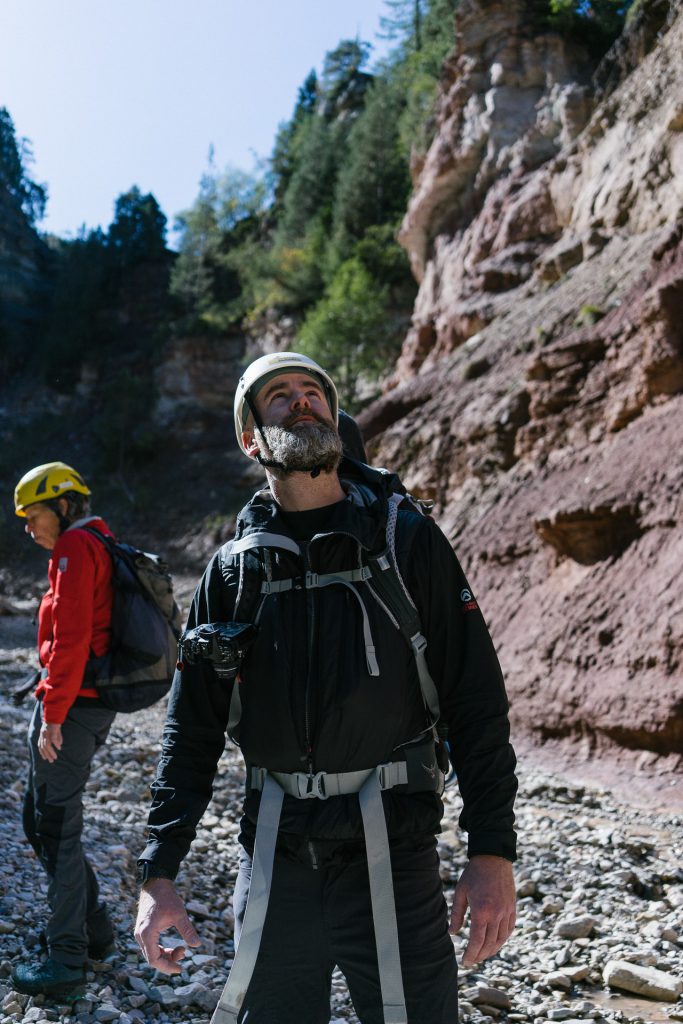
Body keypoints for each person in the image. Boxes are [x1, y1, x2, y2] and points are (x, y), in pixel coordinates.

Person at [135, 352, 517, 1024]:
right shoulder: (231, 574)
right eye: (278, 395)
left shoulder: (404, 541)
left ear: (334, 418)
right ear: (250, 439)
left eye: (313, 391)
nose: (302, 401)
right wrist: (157, 872)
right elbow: (189, 732)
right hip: (274, 853)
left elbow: (475, 700)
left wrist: (491, 852)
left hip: (392, 848)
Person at [11, 462, 117, 1000]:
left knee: (55, 828)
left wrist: (52, 716)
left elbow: (72, 639)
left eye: (32, 516)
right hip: (82, 704)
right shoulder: (96, 540)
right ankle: (93, 928)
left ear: (62, 505)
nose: (28, 528)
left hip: (73, 709)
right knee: (39, 818)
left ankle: (67, 959)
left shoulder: (76, 547)